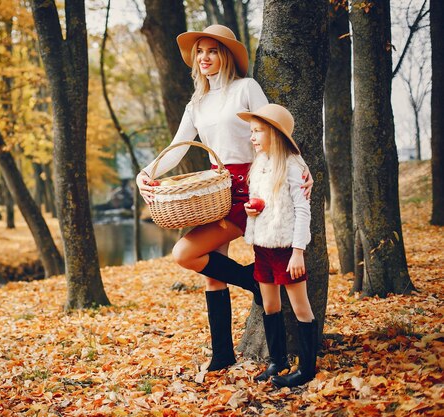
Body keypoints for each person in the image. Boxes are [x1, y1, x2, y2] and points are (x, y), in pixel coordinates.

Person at [136, 25, 313, 372]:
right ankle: (222, 354)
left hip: (251, 188)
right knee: (211, 274)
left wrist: (303, 169)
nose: (204, 57)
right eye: (199, 51)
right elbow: (177, 147)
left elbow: (274, 132)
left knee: (185, 253)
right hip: (213, 191)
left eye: (213, 50)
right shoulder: (196, 103)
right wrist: (146, 173)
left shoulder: (246, 88)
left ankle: (254, 283)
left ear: (227, 55)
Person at [238, 103, 318, 387]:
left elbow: (303, 210)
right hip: (263, 246)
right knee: (270, 305)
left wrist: (298, 252)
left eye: (258, 131)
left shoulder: (293, 166)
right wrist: (251, 211)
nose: (253, 137)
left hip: (286, 248)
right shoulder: (259, 165)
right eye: (252, 131)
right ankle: (277, 361)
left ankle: (307, 368)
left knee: (300, 307)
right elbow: (260, 203)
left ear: (275, 133)